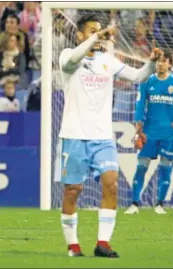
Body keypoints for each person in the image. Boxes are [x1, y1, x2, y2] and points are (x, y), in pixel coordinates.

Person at [57, 14, 162, 258]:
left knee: (111, 185)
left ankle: (103, 243)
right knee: (73, 189)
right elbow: (73, 58)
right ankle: (73, 245)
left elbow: (137, 77)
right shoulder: (68, 56)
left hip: (102, 137)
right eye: (92, 31)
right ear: (80, 34)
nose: (98, 35)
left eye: (100, 30)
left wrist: (150, 63)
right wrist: (98, 35)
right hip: (74, 135)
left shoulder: (108, 61)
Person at [125, 50, 173, 215]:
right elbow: (140, 104)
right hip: (149, 133)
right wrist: (138, 125)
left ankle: (159, 204)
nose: (160, 64)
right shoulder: (147, 81)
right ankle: (135, 204)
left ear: (169, 64)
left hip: (169, 134)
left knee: (166, 169)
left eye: (164, 61)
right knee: (141, 168)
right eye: (158, 61)